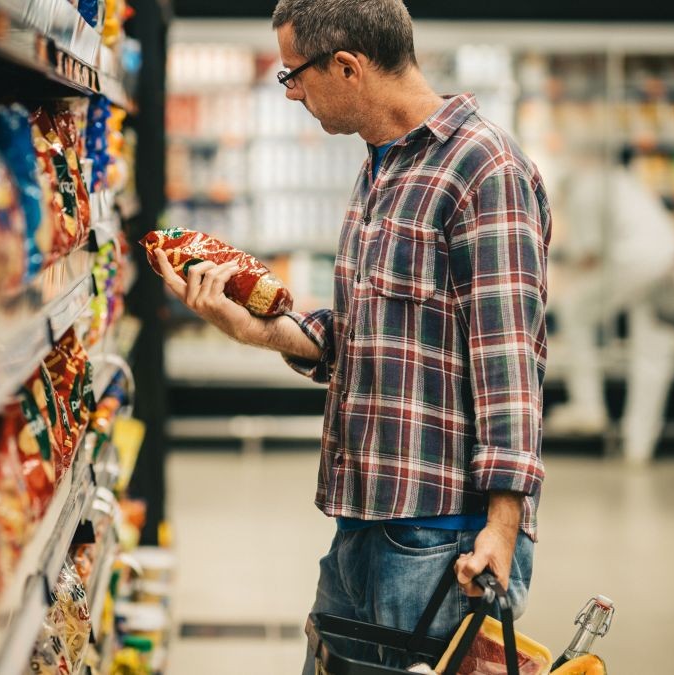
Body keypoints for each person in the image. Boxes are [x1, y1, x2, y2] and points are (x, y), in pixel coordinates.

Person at [150, 1, 550, 670]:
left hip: (441, 538)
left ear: (347, 66)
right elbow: (362, 338)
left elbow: (510, 366)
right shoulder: (381, 167)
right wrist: (255, 328)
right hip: (362, 520)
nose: (293, 91)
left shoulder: (485, 172)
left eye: (293, 75)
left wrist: (504, 527)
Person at [545, 162, 674, 464]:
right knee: (653, 352)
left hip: (633, 258)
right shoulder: (616, 178)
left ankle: (589, 406)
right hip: (669, 255)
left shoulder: (581, 191)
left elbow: (589, 256)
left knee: (574, 310)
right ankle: (639, 446)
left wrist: (556, 269)